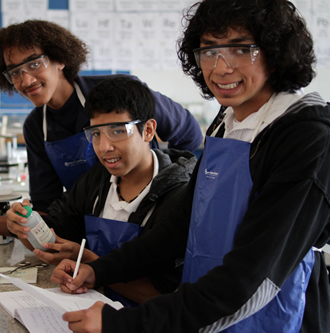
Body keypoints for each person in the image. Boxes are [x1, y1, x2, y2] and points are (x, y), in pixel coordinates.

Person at [51, 1, 330, 332]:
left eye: (241, 49)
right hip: (209, 310)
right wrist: (101, 271)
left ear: (275, 51)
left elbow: (253, 279)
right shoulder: (226, 122)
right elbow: (181, 226)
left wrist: (122, 323)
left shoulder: (307, 136)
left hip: (274, 316)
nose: (221, 67)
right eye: (209, 51)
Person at [0, 77, 197, 305]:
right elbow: (56, 232)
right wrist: (21, 223)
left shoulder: (179, 196)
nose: (104, 147)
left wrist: (89, 263)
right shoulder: (99, 180)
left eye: (118, 131)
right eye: (96, 134)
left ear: (148, 130)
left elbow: (168, 298)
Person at [0, 19, 203, 214]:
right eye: (15, 72)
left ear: (60, 59)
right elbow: (48, 203)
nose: (25, 81)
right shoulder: (36, 126)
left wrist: (171, 188)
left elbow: (189, 134)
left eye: (34, 64)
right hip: (90, 233)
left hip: (150, 218)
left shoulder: (120, 91)